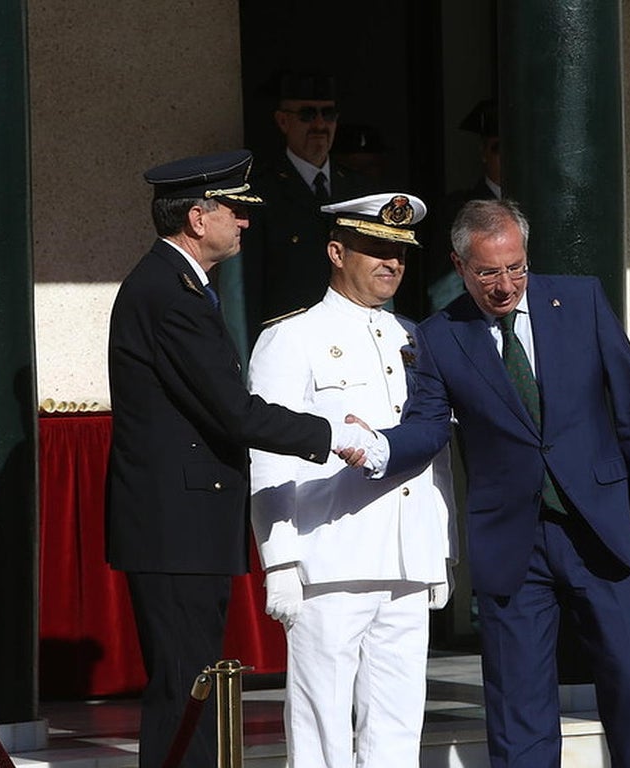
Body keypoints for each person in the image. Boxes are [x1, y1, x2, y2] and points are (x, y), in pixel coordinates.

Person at [344, 199, 630, 767]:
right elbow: (428, 425)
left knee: (629, 680)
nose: (505, 285)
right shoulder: (440, 336)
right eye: (488, 273)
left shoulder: (580, 300)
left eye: (516, 268)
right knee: (517, 699)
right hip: (512, 538)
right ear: (459, 265)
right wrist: (379, 445)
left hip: (597, 524)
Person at [106, 150, 364, 768]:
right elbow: (235, 412)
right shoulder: (170, 294)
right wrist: (330, 434)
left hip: (183, 523)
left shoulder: (179, 285)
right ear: (198, 219)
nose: (245, 222)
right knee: (185, 687)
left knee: (190, 682)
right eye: (234, 210)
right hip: (175, 526)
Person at [248, 192, 458, 768]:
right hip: (330, 554)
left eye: (400, 253)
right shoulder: (292, 336)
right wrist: (280, 560)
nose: (391, 263)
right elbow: (269, 453)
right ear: (337, 252)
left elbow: (433, 451)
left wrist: (441, 548)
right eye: (375, 249)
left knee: (398, 717)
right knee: (321, 721)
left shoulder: (414, 337)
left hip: (407, 554)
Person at [243, 73, 371, 330]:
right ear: (283, 121)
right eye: (307, 115)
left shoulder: (359, 188)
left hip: (351, 331)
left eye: (328, 114)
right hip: (288, 336)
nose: (320, 124)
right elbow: (244, 287)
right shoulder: (259, 191)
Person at [427, 98, 503, 313]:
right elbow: (445, 292)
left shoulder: (541, 205)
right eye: (498, 149)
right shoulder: (456, 211)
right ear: (484, 153)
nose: (508, 157)